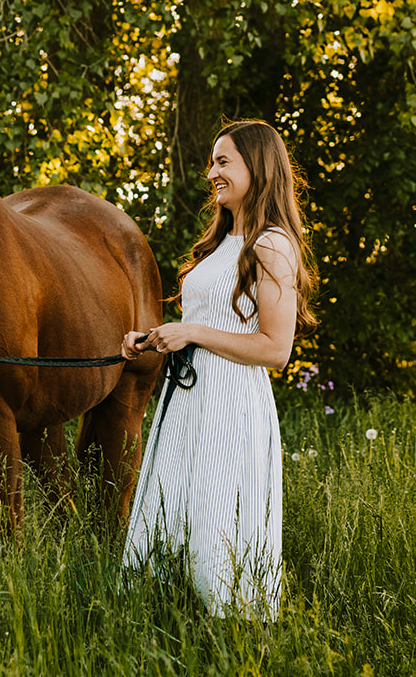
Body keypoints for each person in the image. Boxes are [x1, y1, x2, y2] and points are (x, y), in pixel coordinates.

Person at [120, 120, 317, 618]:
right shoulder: (223, 243)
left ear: (258, 166)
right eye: (213, 162)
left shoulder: (272, 244)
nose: (212, 173)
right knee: (166, 512)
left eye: (223, 161)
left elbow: (276, 349)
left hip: (231, 403)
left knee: (217, 522)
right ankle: (159, 621)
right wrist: (154, 338)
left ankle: (235, 639)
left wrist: (193, 334)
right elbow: (203, 324)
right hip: (188, 400)